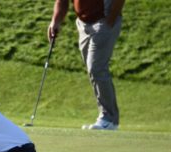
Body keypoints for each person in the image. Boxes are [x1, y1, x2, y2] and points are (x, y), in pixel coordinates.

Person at [48, 0, 125, 130]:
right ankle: (107, 117)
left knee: (96, 68)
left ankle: (109, 119)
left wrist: (110, 20)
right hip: (83, 25)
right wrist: (55, 21)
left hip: (103, 22)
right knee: (93, 70)